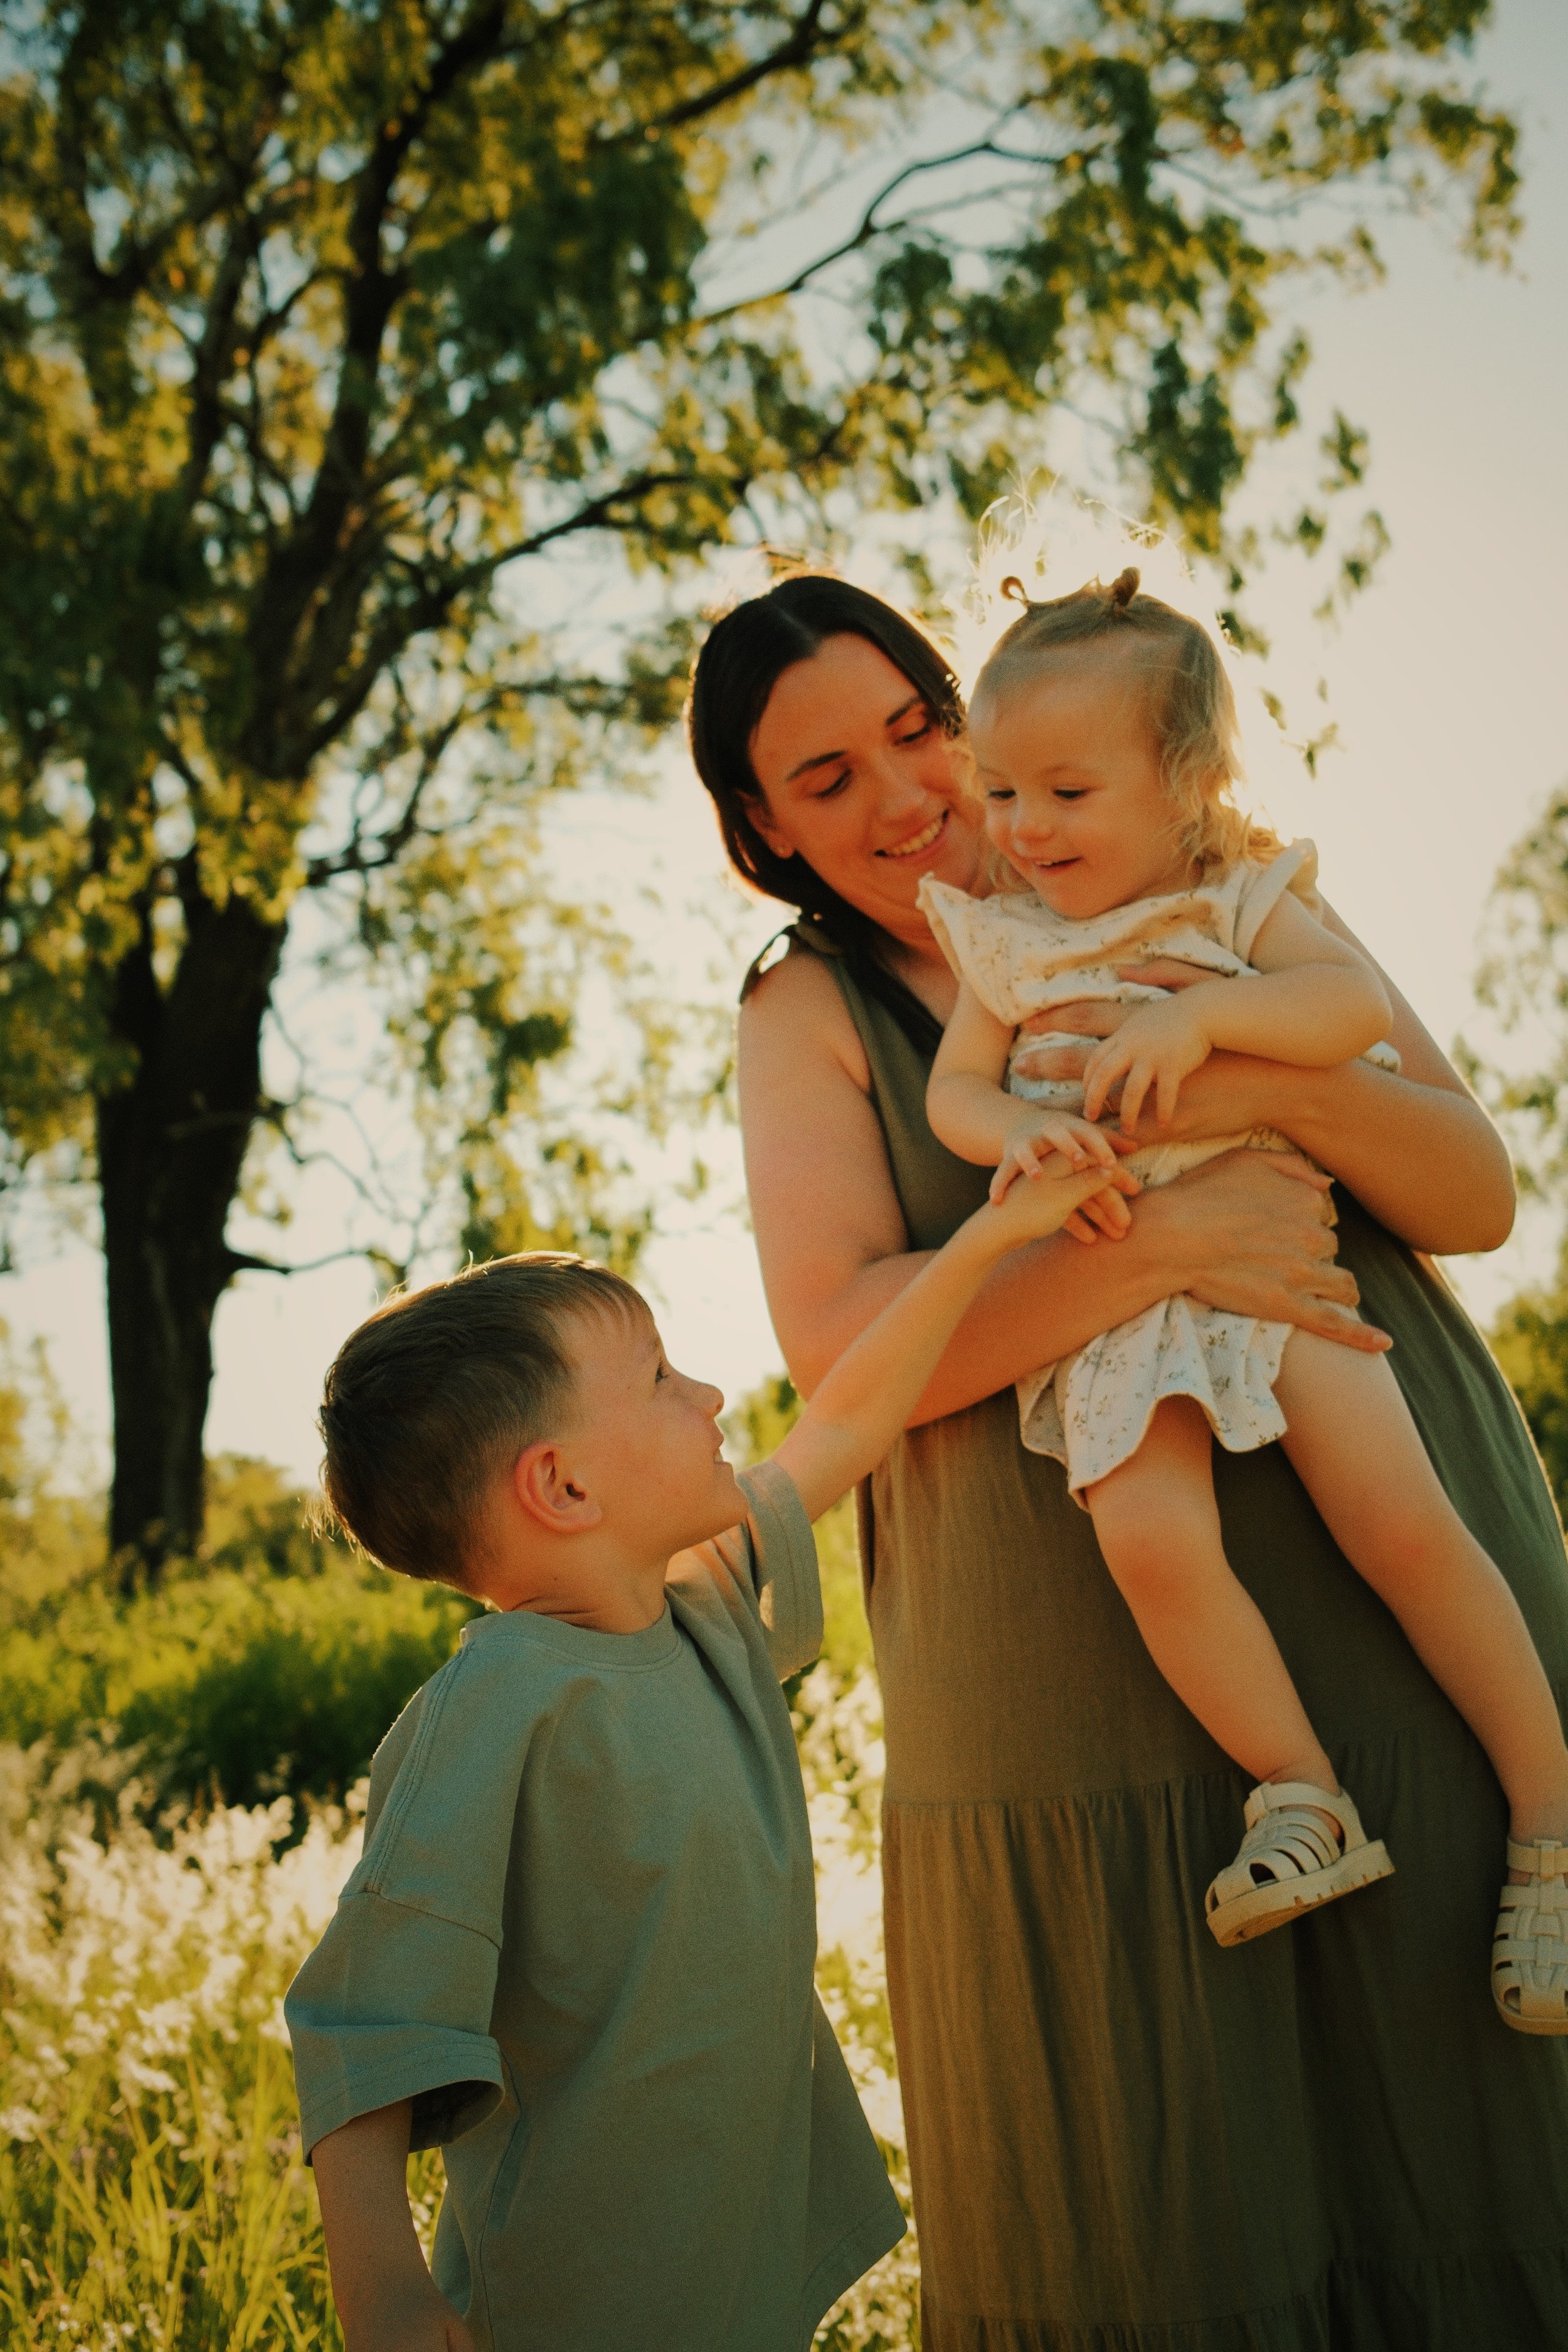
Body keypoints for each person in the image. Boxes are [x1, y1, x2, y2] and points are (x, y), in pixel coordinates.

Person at [688, 566, 1568, 2348]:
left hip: (1388, 1567)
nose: (906, 795)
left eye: (913, 727)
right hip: (1065, 1661)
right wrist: (1158, 1246)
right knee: (1164, 2193)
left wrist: (1241, 1087)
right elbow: (843, 1339)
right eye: (823, 776)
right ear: (762, 827)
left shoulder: (1208, 872)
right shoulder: (811, 1014)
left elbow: (1467, 1187)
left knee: (1469, 2133)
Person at [285, 1153, 1129, 2352]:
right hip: (579, 2295)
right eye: (662, 1379)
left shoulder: (706, 1613)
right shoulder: (495, 1706)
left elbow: (849, 1417)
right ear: (565, 1483)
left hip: (730, 2264)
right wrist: (388, 2297)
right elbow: (364, 2017)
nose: (715, 1393)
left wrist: (993, 1241)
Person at [918, 564, 1568, 1981]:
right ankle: (1300, 1795)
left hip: (1273, 1272)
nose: (1023, 829)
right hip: (1108, 1296)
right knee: (1148, 1544)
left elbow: (1344, 1011)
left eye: (1066, 794)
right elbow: (953, 1097)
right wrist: (1017, 1126)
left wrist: (1212, 1020)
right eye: (1003, 792)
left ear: (1186, 781)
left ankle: (1549, 1820)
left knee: (1399, 1526)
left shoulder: (1240, 898)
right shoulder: (1003, 941)